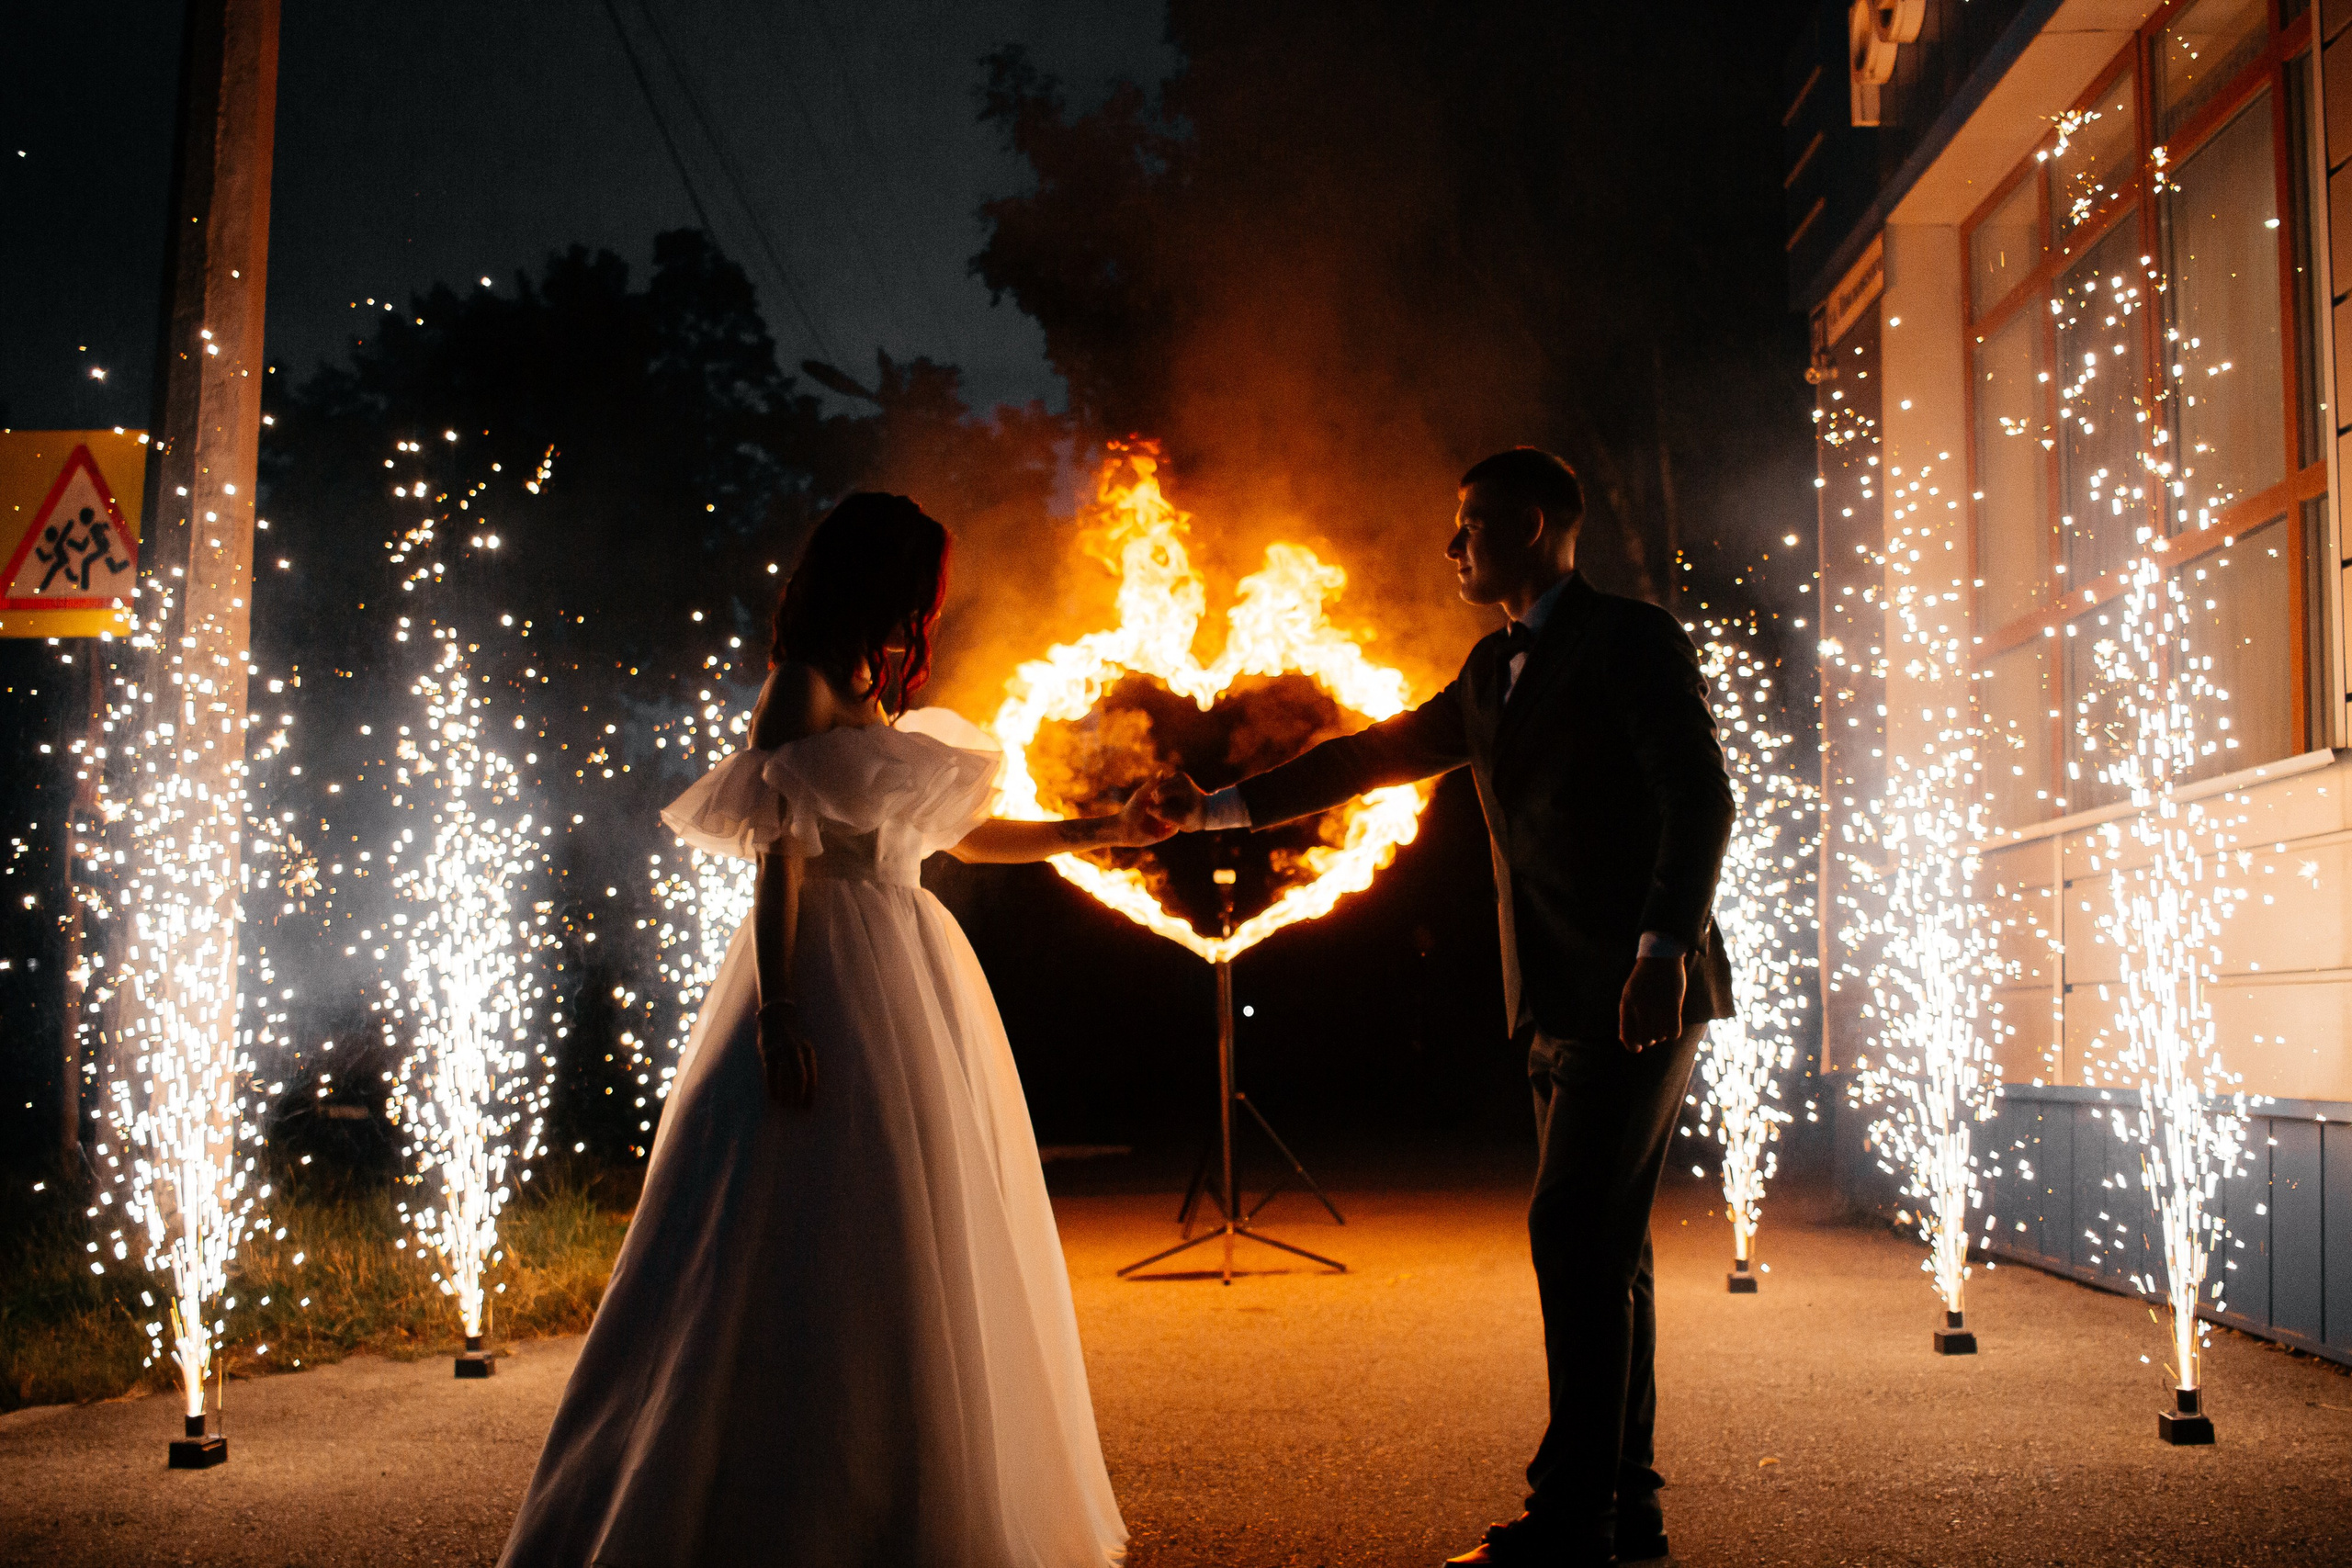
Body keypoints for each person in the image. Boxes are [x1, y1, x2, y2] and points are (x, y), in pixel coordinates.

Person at [499, 492, 1171, 1568]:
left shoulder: (875, 692)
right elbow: (781, 859)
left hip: (911, 958)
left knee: (916, 1209)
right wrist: (780, 1011)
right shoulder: (802, 687)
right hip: (829, 962)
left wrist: (1106, 830)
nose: (923, 610)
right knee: (805, 1207)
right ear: (873, 578)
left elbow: (964, 838)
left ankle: (908, 1484)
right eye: (915, 586)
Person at [1156, 447, 1735, 1568]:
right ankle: (1626, 1506)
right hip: (1551, 997)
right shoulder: (1486, 670)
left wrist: (1663, 949)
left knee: (1572, 1234)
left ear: (1530, 527)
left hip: (1636, 990)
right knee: (1606, 1249)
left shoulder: (1628, 640)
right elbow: (1370, 759)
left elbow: (1699, 797)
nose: (1451, 546)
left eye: (1469, 524)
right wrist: (1214, 810)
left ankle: (1569, 1519)